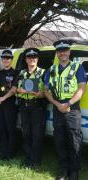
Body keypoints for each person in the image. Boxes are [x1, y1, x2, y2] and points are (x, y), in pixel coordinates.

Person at [44, 40, 87, 180]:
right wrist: (57, 104)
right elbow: (46, 90)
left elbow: (81, 88)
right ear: (57, 53)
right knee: (60, 139)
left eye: (65, 50)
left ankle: (74, 171)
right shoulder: (52, 69)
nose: (62, 53)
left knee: (74, 140)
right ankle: (63, 169)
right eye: (59, 51)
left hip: (72, 108)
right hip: (58, 108)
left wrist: (68, 104)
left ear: (69, 52)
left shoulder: (77, 67)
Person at [15, 48, 46, 168]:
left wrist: (40, 94)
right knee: (26, 133)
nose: (32, 59)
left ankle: (35, 160)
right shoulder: (22, 73)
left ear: (37, 59)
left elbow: (47, 92)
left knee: (37, 134)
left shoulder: (43, 73)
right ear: (26, 59)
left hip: (37, 106)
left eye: (34, 57)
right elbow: (15, 89)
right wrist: (19, 90)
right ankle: (28, 157)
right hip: (24, 106)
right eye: (29, 57)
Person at [0, 50, 18, 161]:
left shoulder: (16, 73)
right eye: (4, 58)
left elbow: (14, 89)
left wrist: (3, 98)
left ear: (11, 59)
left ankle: (11, 152)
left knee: (10, 129)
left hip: (10, 104)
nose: (6, 60)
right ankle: (2, 152)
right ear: (2, 59)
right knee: (0, 129)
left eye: (8, 58)